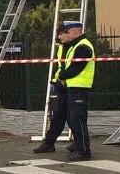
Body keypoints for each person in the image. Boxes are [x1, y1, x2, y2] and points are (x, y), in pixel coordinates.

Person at [33, 21, 95, 161]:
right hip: (66, 87)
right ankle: (51, 144)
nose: (60, 37)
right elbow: (62, 65)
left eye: (62, 33)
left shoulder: (83, 46)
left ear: (73, 31)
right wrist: (57, 80)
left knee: (77, 119)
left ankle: (83, 151)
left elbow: (76, 67)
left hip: (78, 87)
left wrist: (62, 77)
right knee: (59, 116)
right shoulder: (68, 46)